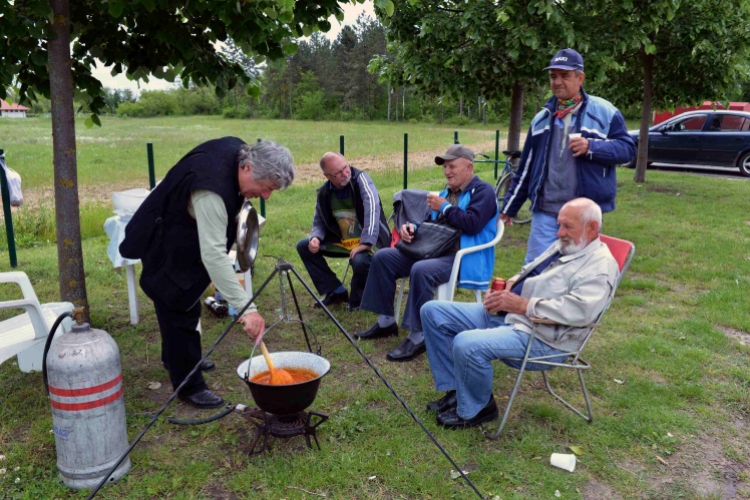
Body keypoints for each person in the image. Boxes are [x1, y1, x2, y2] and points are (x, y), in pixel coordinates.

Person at [120, 137, 294, 409]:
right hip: (165, 242)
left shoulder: (236, 151)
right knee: (176, 302)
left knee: (189, 300)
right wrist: (247, 309)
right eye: (266, 187)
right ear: (248, 167)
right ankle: (189, 385)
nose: (267, 196)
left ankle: (179, 357)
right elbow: (213, 255)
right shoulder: (211, 191)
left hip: (186, 238)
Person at [420, 198, 619, 429]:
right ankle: (458, 390)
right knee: (433, 311)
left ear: (592, 228)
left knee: (467, 343)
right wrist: (508, 289)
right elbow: (531, 270)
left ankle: (479, 408)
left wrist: (522, 305)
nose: (559, 233)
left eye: (567, 227)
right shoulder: (569, 244)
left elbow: (579, 312)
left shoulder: (600, 267)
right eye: (559, 225)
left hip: (545, 338)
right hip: (514, 316)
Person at [355, 144, 498, 362]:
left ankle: (419, 334)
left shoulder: (483, 192)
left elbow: (473, 224)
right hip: (432, 250)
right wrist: (411, 228)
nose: (447, 171)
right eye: (445, 167)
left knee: (421, 269)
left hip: (462, 257)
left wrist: (444, 207)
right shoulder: (446, 192)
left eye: (452, 166)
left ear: (469, 167)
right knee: (384, 256)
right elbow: (429, 224)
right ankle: (386, 321)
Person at [501, 48, 636, 264]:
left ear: (580, 78)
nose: (557, 81)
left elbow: (627, 150)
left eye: (565, 75)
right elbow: (525, 170)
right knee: (535, 270)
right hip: (545, 211)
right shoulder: (541, 119)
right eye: (553, 76)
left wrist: (591, 146)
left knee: (577, 273)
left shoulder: (605, 112)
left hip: (583, 216)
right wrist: (508, 209)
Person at [296, 152, 390, 311]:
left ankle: (359, 299)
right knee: (304, 246)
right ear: (327, 176)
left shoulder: (362, 180)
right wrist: (316, 237)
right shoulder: (324, 192)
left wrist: (366, 242)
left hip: (370, 241)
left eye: (346, 167)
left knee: (359, 260)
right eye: (338, 173)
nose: (345, 173)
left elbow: (372, 209)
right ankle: (335, 290)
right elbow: (319, 220)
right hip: (342, 241)